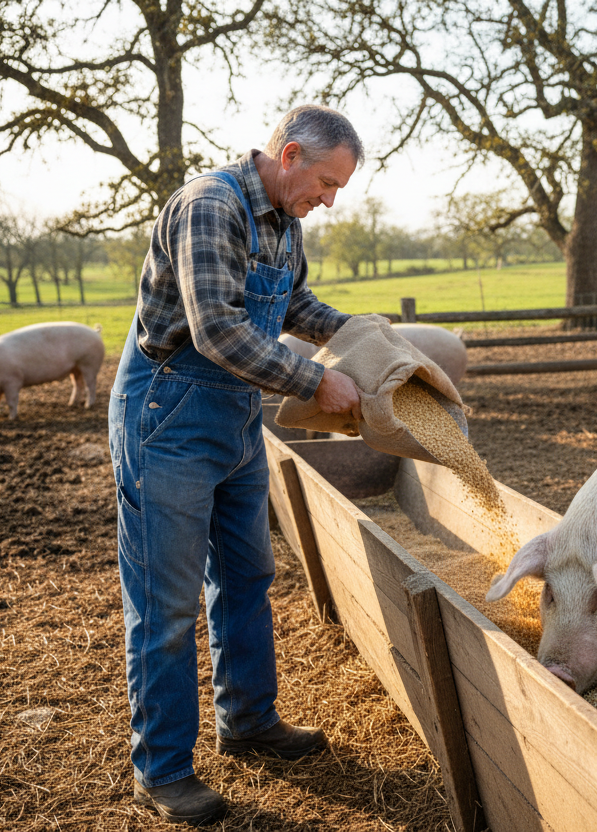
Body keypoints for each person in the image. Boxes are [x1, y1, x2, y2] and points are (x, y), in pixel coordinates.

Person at [108, 105, 365, 825]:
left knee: (248, 574)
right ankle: (161, 772)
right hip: (169, 419)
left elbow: (296, 305)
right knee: (166, 605)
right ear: (288, 154)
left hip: (235, 419)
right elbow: (218, 328)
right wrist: (317, 381)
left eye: (338, 187)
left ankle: (248, 720)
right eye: (325, 181)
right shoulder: (210, 206)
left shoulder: (285, 221)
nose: (329, 199)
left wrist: (365, 338)